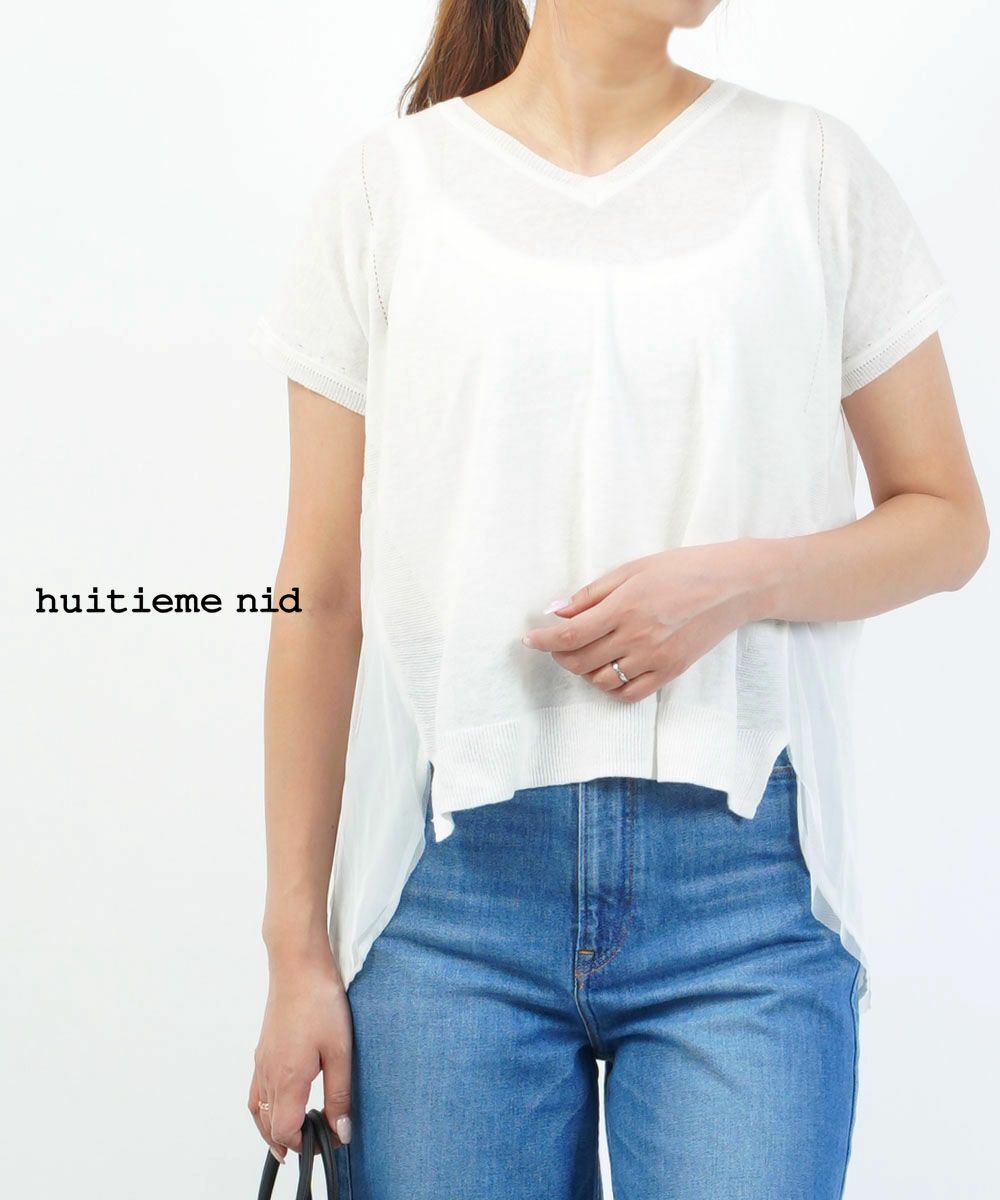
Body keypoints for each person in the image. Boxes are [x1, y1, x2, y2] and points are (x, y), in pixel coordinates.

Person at [246, 2, 989, 1197]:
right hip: (445, 901)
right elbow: (319, 596)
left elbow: (947, 521)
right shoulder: (387, 192)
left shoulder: (810, 172)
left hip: (743, 897)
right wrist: (296, 951)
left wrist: (739, 583)